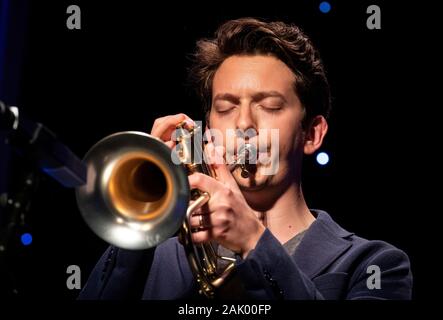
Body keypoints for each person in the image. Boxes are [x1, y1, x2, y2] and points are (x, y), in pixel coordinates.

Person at [79, 18, 412, 300]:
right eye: (225, 108)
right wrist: (143, 215)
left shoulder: (374, 264)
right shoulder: (153, 258)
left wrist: (255, 241)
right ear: (207, 129)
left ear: (312, 134)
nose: (243, 125)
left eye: (269, 106)